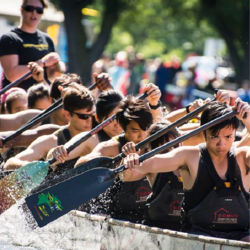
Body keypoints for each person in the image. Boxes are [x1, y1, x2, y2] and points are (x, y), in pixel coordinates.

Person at [124, 99, 250, 242]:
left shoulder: (243, 156)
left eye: (228, 137)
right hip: (199, 237)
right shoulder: (188, 156)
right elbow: (138, 170)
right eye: (214, 136)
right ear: (204, 133)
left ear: (235, 132)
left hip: (240, 236)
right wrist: (132, 161)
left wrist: (248, 120)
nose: (221, 144)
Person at [3, 84, 95, 171]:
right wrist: (32, 167)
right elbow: (9, 164)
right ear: (67, 115)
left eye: (92, 115)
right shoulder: (51, 141)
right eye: (84, 116)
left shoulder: (98, 136)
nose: (90, 120)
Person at [121, 121, 183, 230]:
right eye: (165, 150)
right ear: (153, 150)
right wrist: (128, 160)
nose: (173, 153)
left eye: (175, 146)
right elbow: (125, 177)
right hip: (158, 226)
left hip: (185, 226)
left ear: (181, 142)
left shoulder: (191, 159)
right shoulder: (151, 165)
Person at [0, 0, 65, 90]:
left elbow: (53, 74)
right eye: (29, 8)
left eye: (39, 10)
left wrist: (60, 65)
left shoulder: (47, 39)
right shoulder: (10, 38)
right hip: (17, 98)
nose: (34, 13)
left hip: (42, 98)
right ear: (21, 10)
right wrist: (43, 62)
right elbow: (12, 75)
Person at [47, 89, 124, 164]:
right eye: (111, 119)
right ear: (97, 118)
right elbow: (51, 159)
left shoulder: (132, 135)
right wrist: (57, 152)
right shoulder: (90, 139)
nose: (117, 124)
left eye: (120, 117)